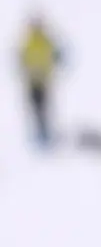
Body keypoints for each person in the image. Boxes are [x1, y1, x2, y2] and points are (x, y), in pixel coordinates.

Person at [18, 14, 62, 147]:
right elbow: (22, 60)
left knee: (43, 108)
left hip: (43, 81)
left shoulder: (44, 41)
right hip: (33, 81)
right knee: (35, 108)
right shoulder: (29, 42)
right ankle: (39, 133)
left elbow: (55, 56)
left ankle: (45, 133)